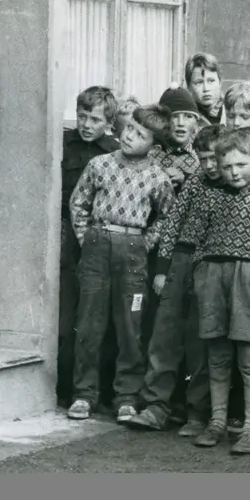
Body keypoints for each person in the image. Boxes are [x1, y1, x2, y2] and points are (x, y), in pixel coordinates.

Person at [178, 127, 250, 455]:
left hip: (246, 279)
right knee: (216, 353)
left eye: (241, 165)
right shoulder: (210, 198)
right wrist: (201, 271)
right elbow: (192, 235)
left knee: (249, 355)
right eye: (227, 166)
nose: (233, 172)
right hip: (213, 277)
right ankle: (217, 422)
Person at [67, 105, 176, 422]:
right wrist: (87, 237)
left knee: (130, 327)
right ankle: (84, 394)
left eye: (140, 134)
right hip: (98, 245)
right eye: (129, 128)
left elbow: (169, 218)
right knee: (89, 322)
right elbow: (79, 202)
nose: (129, 136)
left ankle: (126, 396)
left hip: (133, 250)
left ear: (153, 146)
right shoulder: (99, 164)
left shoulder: (157, 178)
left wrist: (144, 243)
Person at [125, 124, 225, 433]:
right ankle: (157, 405)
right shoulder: (194, 184)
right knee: (164, 335)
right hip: (180, 261)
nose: (209, 165)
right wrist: (161, 269)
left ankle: (197, 412)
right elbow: (172, 226)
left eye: (214, 159)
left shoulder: (237, 188)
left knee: (200, 340)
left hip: (211, 266)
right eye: (203, 158)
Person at [58, 86, 120, 406]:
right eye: (82, 116)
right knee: (66, 311)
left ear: (109, 122)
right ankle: (65, 389)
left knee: (97, 316)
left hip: (99, 238)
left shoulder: (113, 152)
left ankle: (100, 390)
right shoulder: (62, 145)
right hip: (66, 236)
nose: (85, 124)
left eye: (95, 119)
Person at [186, 53, 225, 126]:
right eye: (199, 82)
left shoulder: (232, 113)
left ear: (220, 82)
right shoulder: (185, 119)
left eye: (211, 81)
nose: (206, 89)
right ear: (189, 87)